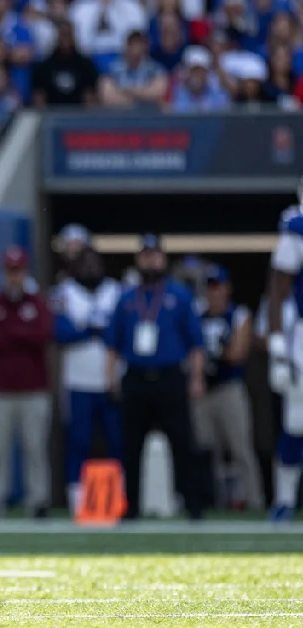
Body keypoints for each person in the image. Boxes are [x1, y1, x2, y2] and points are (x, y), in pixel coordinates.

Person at [105, 234, 208, 520]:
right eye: (146, 255)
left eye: (155, 255)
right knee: (131, 443)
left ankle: (192, 504)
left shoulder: (179, 295)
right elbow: (112, 344)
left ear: (163, 259)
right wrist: (110, 377)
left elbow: (196, 343)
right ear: (139, 260)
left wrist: (196, 378)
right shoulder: (126, 298)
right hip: (136, 377)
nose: (151, 260)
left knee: (182, 442)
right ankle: (132, 506)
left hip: (170, 377)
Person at [0, 246, 54, 518]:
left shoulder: (38, 303)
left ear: (25, 272)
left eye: (18, 271)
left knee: (35, 448)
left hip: (33, 390)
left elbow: (42, 335)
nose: (14, 277)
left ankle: (39, 500)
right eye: (10, 272)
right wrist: (21, 334)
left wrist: (10, 334)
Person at [51, 247, 123, 511]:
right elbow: (61, 332)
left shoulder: (116, 291)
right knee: (78, 441)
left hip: (110, 379)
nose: (90, 268)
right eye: (85, 263)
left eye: (95, 263)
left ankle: (118, 499)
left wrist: (88, 328)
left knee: (116, 440)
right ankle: (77, 502)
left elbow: (120, 331)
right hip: (77, 381)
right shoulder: (63, 292)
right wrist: (95, 329)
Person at [194, 265, 263, 510]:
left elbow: (237, 353)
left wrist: (212, 352)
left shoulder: (238, 314)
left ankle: (255, 502)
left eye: (218, 286)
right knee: (206, 450)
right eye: (210, 286)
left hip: (229, 388)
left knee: (241, 448)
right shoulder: (196, 314)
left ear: (227, 288)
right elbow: (190, 350)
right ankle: (212, 503)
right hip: (202, 390)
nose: (215, 292)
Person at [266, 190, 303, 522]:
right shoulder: (297, 227)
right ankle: (284, 499)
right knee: (296, 422)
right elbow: (278, 287)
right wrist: (278, 345)